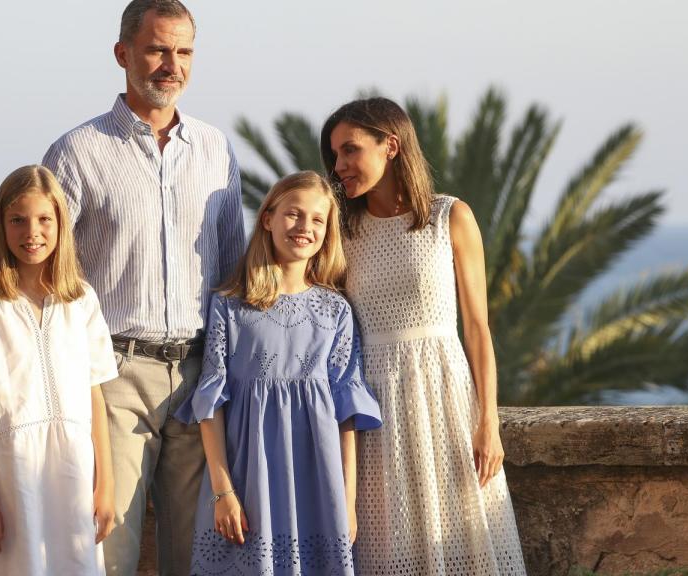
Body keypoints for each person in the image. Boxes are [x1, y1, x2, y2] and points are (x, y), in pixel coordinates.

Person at [41, 1, 245, 573]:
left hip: (201, 376)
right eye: (157, 49)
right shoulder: (76, 153)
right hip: (114, 376)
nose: (170, 65)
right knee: (109, 548)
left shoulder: (216, 151)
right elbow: (50, 276)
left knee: (196, 555)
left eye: (183, 52)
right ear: (122, 54)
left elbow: (233, 273)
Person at [322, 98, 528, 574]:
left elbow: (478, 328)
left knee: (463, 540)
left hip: (444, 394)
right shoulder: (342, 229)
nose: (340, 166)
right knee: (385, 545)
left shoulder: (448, 216)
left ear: (390, 145)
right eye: (334, 155)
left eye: (350, 150)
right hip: (373, 402)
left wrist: (488, 422)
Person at [175, 170, 382, 576]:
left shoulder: (335, 311)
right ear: (267, 218)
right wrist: (222, 492)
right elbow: (210, 405)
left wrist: (348, 502)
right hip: (246, 482)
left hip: (318, 487)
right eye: (293, 214)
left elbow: (346, 415)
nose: (305, 227)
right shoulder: (231, 306)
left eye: (317, 219)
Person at [0, 165, 117, 575]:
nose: (31, 232)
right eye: (18, 220)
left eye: (43, 219)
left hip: (73, 474)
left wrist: (105, 485)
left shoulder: (81, 300)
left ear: (60, 224)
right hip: (11, 479)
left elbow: (95, 396)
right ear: (1, 226)